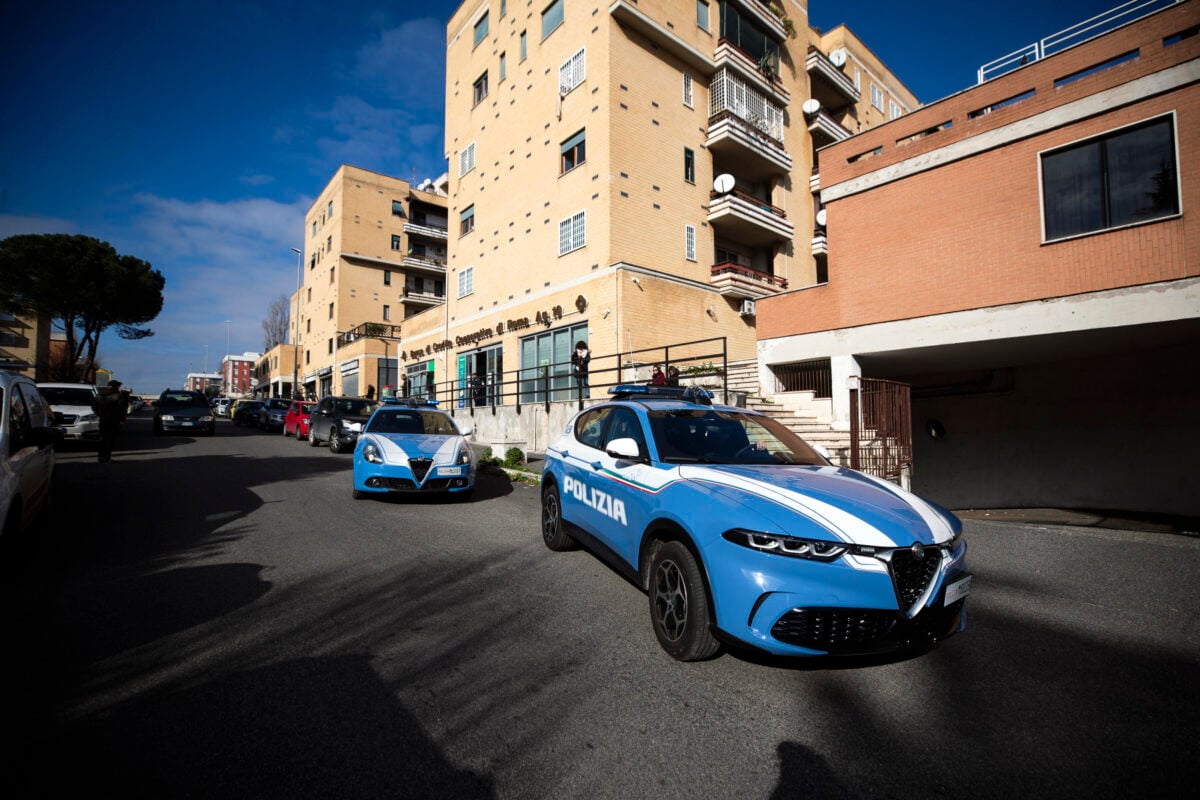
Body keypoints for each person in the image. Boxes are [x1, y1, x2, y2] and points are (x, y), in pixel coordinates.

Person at [92, 379, 128, 462]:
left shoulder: (99, 395)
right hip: (113, 420)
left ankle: (101, 456)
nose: (120, 388)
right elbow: (122, 409)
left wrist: (99, 414)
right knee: (110, 439)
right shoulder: (118, 396)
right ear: (115, 387)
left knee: (103, 438)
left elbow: (93, 407)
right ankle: (106, 457)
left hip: (103, 419)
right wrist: (122, 419)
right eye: (119, 386)